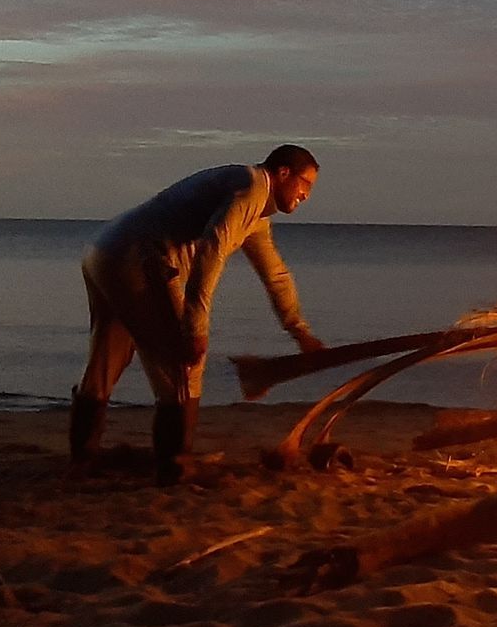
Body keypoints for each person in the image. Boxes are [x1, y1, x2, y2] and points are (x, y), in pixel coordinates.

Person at [69, 143, 325, 483]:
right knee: (183, 366)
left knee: (108, 354)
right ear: (282, 174)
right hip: (139, 257)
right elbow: (211, 252)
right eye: (304, 184)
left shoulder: (253, 211)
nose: (306, 195)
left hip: (104, 251)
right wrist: (194, 328)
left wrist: (299, 331)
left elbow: (274, 274)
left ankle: (82, 458)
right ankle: (175, 466)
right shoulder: (249, 189)